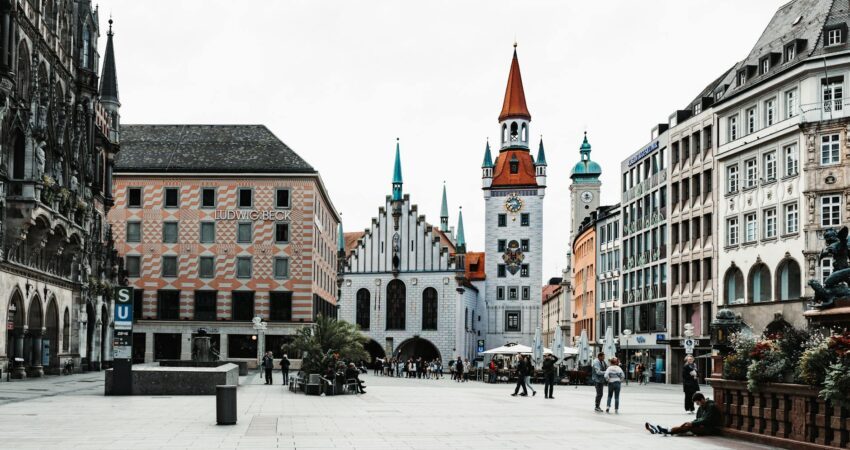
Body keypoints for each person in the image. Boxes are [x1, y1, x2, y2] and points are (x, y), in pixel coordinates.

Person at [646, 392, 721, 436]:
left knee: (689, 427)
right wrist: (693, 423)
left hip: (709, 429)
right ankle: (665, 430)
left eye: (697, 402)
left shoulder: (711, 406)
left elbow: (706, 419)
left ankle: (667, 431)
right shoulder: (702, 406)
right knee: (686, 425)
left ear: (702, 400)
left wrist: (693, 423)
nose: (698, 405)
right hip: (702, 426)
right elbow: (698, 418)